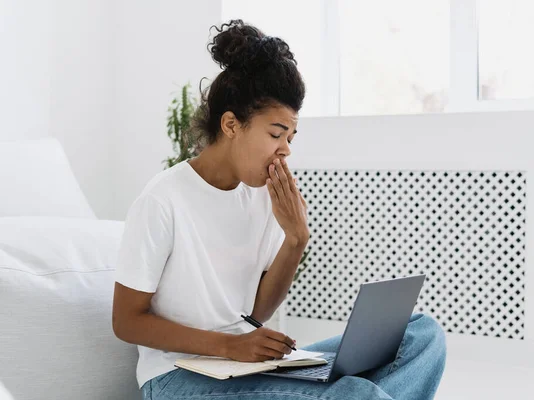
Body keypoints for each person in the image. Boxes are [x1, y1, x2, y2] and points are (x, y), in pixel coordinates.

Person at [112, 19, 446, 400]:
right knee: (355, 393)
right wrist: (229, 346)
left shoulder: (261, 196)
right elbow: (126, 321)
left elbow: (257, 311)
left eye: (290, 136)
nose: (286, 148)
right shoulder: (162, 199)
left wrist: (296, 239)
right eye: (275, 134)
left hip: (244, 365)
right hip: (177, 378)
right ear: (231, 125)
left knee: (422, 335)